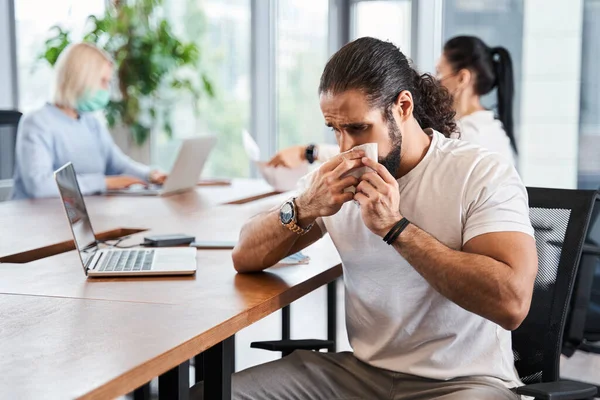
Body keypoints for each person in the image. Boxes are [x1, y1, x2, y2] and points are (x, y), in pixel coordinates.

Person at [193, 37, 538, 399]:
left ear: (403, 106)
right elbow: (244, 255)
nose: (345, 148)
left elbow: (512, 303)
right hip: (360, 375)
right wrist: (305, 206)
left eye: (358, 129)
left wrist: (396, 229)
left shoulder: (479, 172)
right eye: (335, 130)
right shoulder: (336, 177)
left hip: (465, 382)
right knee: (207, 395)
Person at [268, 35, 517, 167]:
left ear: (462, 78)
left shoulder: (470, 139)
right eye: (336, 130)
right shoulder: (485, 127)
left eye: (440, 73)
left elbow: (380, 146)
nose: (432, 80)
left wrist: (310, 152)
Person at [10, 42, 166, 200]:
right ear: (81, 80)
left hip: (83, 214)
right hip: (38, 218)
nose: (106, 90)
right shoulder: (37, 122)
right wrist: (104, 183)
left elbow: (119, 165)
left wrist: (150, 175)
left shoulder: (91, 123)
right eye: (103, 81)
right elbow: (40, 186)